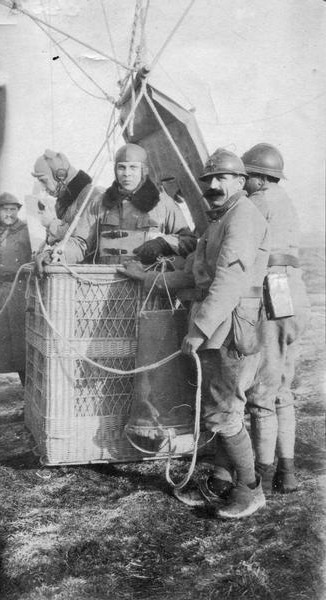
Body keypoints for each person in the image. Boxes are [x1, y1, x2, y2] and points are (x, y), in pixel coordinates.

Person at [122, 148, 270, 519]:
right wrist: (148, 278)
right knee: (219, 409)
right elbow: (194, 275)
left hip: (230, 329)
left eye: (222, 178)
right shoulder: (219, 221)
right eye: (209, 180)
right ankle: (220, 483)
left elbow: (229, 281)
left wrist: (200, 329)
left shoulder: (242, 218)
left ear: (241, 181)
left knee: (224, 413)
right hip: (218, 326)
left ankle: (250, 489)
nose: (214, 185)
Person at [241, 143, 311, 493]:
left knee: (261, 393)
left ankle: (263, 480)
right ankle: (288, 472)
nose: (242, 181)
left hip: (272, 293)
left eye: (246, 176)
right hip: (295, 293)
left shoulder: (255, 204)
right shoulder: (287, 202)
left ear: (259, 179)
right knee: (283, 388)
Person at [35, 143, 196, 270]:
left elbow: (189, 240)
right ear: (115, 170)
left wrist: (163, 242)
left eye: (133, 167)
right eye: (122, 167)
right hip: (106, 284)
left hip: (148, 287)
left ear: (143, 170)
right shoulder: (99, 202)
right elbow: (80, 243)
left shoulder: (163, 203)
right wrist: (55, 254)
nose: (127, 173)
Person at [0, 193, 32, 385]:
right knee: (10, 349)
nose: (9, 214)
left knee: (25, 346)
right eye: (5, 210)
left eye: (13, 209)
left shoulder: (27, 231)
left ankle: (32, 395)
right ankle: (25, 392)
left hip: (23, 292)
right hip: (1, 295)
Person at [32, 149, 103, 247]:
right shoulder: (64, 201)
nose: (43, 187)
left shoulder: (89, 196)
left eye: (44, 181)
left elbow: (80, 238)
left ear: (60, 176)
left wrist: (51, 224)